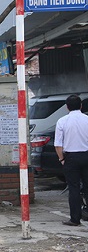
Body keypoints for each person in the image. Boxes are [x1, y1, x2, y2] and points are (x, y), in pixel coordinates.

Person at [54, 94, 88, 226]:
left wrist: (62, 158)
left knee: (73, 188)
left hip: (71, 157)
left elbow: (58, 144)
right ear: (81, 106)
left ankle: (75, 219)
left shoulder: (62, 121)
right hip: (86, 155)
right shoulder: (87, 119)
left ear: (67, 107)